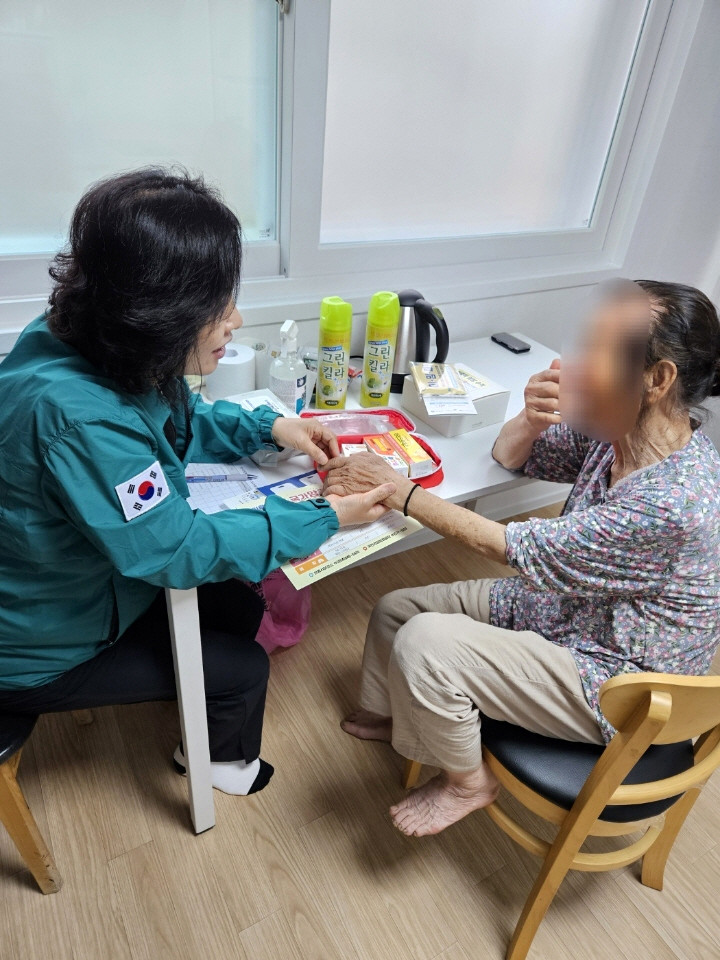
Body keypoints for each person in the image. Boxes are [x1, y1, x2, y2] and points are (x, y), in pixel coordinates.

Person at [0, 168, 393, 797]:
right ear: (157, 311)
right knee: (243, 669)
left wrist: (272, 427)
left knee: (241, 603)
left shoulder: (90, 336)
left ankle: (197, 703)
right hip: (33, 647)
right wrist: (324, 516)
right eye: (216, 304)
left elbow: (172, 420)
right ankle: (220, 768)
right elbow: (173, 548)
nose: (234, 319)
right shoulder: (79, 419)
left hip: (80, 583)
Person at [324, 280, 720, 836]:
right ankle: (402, 716)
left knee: (426, 644)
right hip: (570, 611)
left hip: (617, 678)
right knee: (398, 609)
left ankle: (469, 781)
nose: (574, 364)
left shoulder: (673, 503)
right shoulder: (620, 432)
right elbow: (513, 456)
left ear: (656, 379)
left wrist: (398, 490)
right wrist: (531, 419)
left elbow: (513, 547)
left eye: (597, 350)